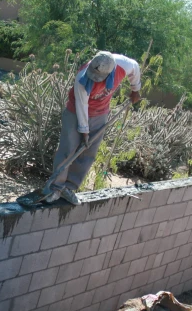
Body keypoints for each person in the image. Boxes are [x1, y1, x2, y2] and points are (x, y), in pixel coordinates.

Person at [43, 51, 142, 205]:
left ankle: (68, 188)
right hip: (76, 112)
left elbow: (135, 67)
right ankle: (56, 188)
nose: (95, 80)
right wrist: (85, 132)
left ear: (111, 72)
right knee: (68, 150)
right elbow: (81, 107)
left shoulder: (123, 64)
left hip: (100, 113)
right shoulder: (82, 78)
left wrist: (135, 89)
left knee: (88, 152)